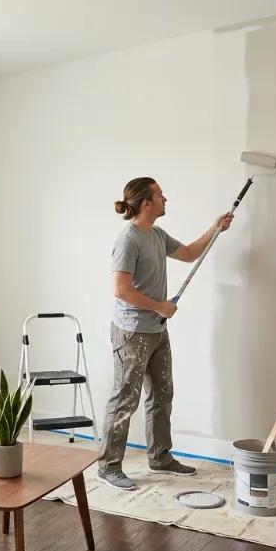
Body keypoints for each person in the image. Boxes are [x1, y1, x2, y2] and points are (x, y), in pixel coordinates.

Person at [96, 176, 233, 490]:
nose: (165, 198)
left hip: (157, 331)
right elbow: (121, 289)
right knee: (124, 400)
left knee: (162, 394)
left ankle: (160, 456)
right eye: (160, 195)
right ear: (146, 203)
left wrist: (216, 229)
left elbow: (187, 253)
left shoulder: (156, 235)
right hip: (132, 333)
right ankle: (108, 466)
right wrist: (159, 306)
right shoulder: (128, 239)